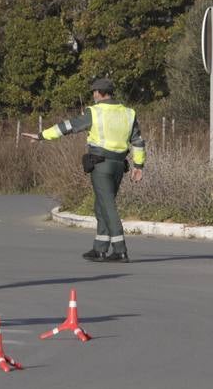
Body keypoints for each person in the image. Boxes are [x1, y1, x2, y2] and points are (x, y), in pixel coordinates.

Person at [25, 77, 145, 262]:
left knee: (108, 206)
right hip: (120, 165)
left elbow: (68, 126)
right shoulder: (129, 113)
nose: (93, 95)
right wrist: (139, 165)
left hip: (101, 164)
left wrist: (42, 136)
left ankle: (120, 250)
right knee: (101, 205)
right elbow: (138, 141)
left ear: (99, 93)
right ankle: (100, 248)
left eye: (94, 92)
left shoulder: (95, 112)